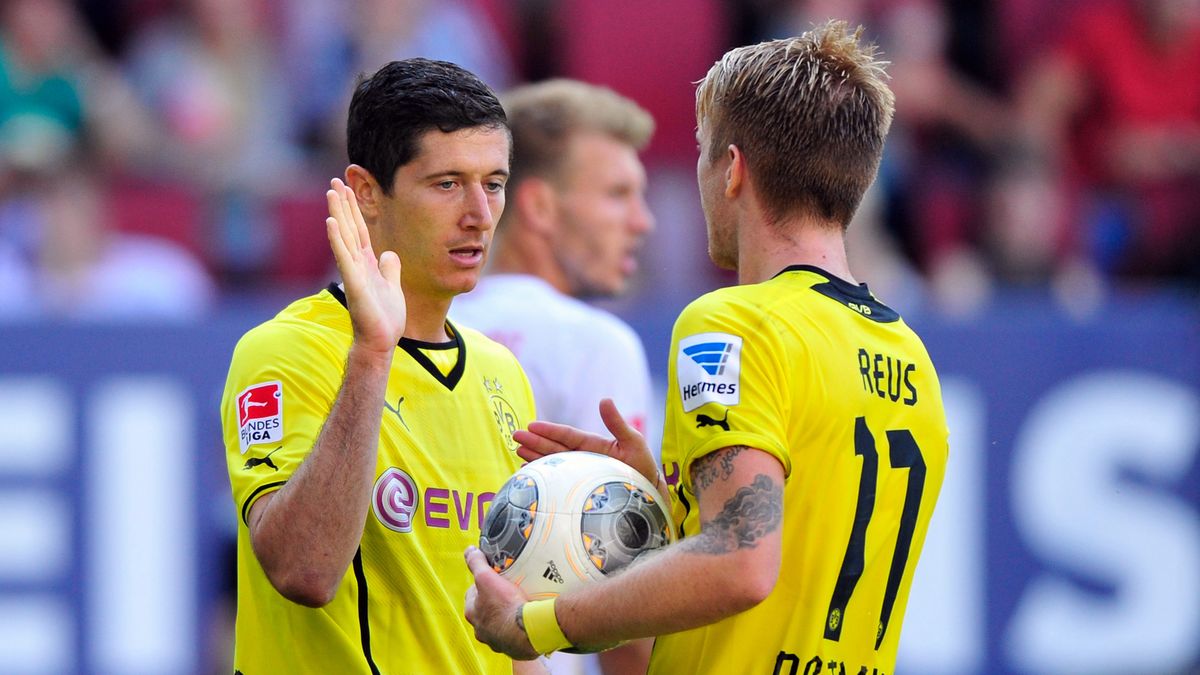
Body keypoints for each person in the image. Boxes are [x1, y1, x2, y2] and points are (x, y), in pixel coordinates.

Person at [463, 21, 950, 674]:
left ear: (733, 170)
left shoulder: (732, 324)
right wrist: (669, 501)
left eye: (702, 152)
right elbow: (797, 551)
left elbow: (742, 561)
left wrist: (538, 623)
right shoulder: (909, 353)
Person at [220, 58, 543, 674]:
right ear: (367, 193)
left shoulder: (502, 373)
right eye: (447, 183)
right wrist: (372, 353)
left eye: (494, 183)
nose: (478, 213)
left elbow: (509, 626)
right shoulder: (284, 351)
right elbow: (304, 570)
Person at [450, 78, 657, 675]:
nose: (641, 221)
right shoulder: (596, 343)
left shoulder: (408, 324)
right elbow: (622, 570)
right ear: (538, 206)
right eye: (618, 194)